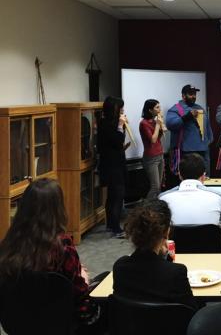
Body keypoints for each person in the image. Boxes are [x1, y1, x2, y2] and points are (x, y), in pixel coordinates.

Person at [0, 179, 100, 325]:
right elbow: (80, 299)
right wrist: (83, 278)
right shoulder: (62, 247)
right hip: (60, 322)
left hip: (18, 324)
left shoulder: (8, 245)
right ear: (58, 208)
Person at [113, 200, 198, 310]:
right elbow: (191, 310)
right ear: (167, 232)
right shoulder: (176, 272)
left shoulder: (120, 266)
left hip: (131, 326)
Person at [159, 153, 221, 229]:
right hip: (208, 242)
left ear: (179, 175)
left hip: (177, 242)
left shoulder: (163, 198)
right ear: (204, 176)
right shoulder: (217, 197)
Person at [98, 96, 129, 238]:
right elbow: (117, 140)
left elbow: (117, 144)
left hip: (114, 162)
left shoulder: (107, 122)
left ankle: (111, 225)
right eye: (120, 108)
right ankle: (115, 227)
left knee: (113, 195)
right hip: (112, 165)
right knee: (117, 194)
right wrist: (120, 126)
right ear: (114, 109)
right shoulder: (106, 124)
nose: (122, 111)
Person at [166, 84, 213, 177]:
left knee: (205, 177)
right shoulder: (175, 109)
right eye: (191, 94)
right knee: (190, 178)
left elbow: (207, 126)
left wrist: (209, 140)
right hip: (187, 152)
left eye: (195, 94)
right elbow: (170, 124)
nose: (194, 96)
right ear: (183, 96)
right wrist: (186, 117)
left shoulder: (200, 108)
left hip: (204, 150)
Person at [139, 99, 166, 201]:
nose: (160, 110)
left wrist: (161, 125)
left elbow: (160, 136)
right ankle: (145, 209)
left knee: (159, 188)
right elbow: (153, 140)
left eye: (160, 107)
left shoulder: (155, 121)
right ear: (150, 110)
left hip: (160, 155)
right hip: (151, 158)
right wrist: (158, 125)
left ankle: (154, 210)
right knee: (155, 187)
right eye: (157, 107)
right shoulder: (144, 123)